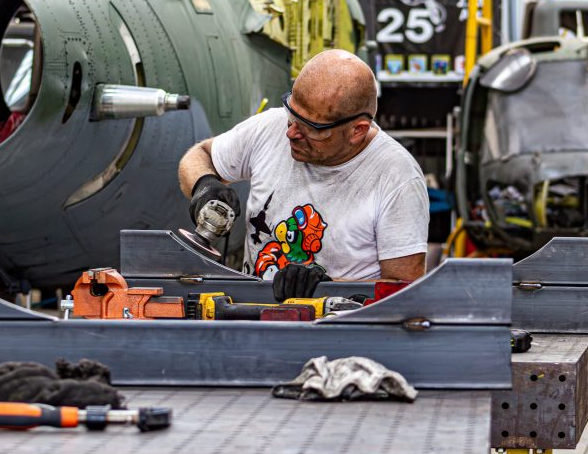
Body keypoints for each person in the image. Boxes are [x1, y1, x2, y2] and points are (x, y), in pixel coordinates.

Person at [177, 49, 429, 302]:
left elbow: (404, 288)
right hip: (253, 321)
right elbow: (200, 155)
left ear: (357, 130)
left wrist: (328, 287)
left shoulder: (396, 178)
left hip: (335, 334)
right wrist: (204, 184)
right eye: (292, 114)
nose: (291, 133)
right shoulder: (269, 128)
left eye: (311, 128)